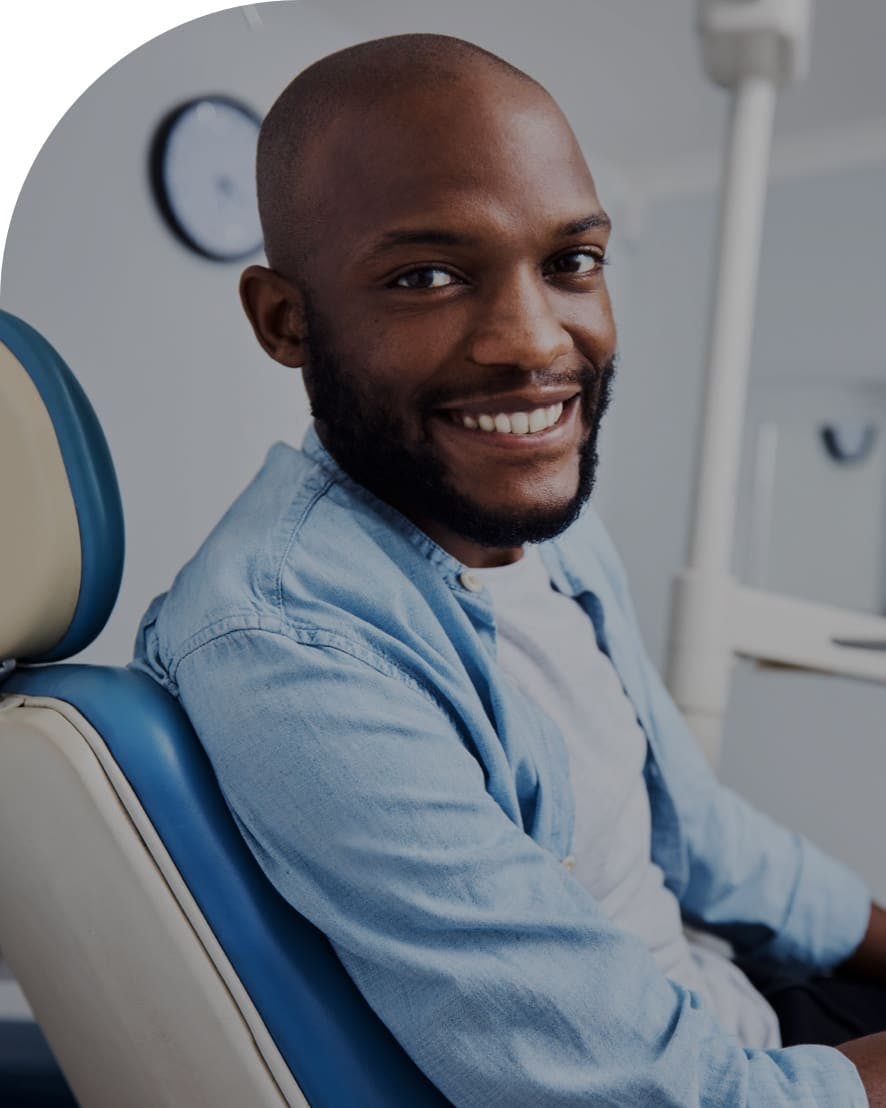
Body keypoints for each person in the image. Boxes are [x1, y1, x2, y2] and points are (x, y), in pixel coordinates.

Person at [132, 32, 886, 1106]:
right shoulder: (289, 646)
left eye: (570, 262)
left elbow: (699, 832)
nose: (534, 341)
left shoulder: (543, 524)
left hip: (747, 1011)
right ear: (285, 321)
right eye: (427, 276)